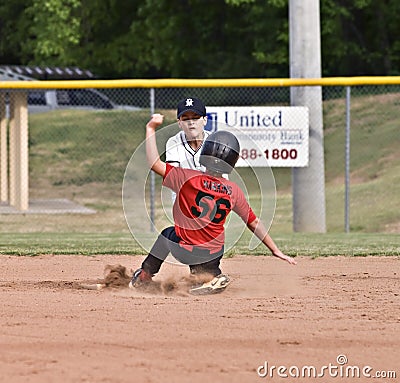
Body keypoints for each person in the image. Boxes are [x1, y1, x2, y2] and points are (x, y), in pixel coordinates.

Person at [130, 113, 297, 295]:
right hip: (212, 254)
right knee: (209, 246)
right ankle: (212, 276)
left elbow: (154, 163)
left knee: (168, 234)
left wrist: (150, 128)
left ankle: (145, 276)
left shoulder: (187, 178)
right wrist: (275, 250)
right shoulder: (233, 191)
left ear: (205, 153)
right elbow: (254, 223)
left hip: (186, 250)